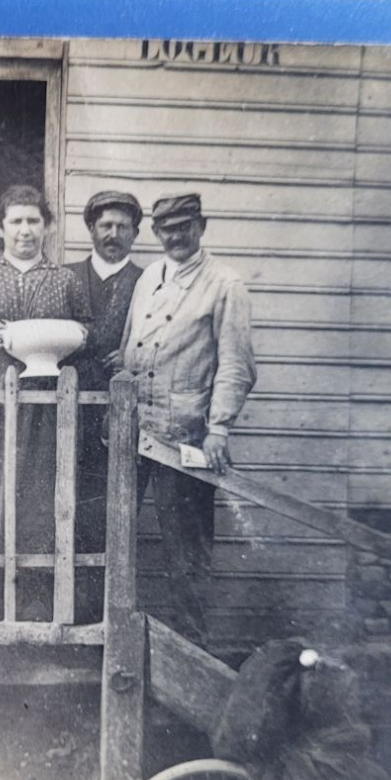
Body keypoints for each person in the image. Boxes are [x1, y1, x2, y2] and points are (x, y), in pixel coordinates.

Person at [0, 184, 89, 621]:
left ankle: (36, 594)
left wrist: (69, 339)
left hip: (44, 396)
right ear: (1, 228)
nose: (25, 231)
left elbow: (87, 328)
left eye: (33, 221)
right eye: (16, 222)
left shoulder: (64, 279)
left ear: (47, 227)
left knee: (39, 492)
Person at [116, 192, 257, 650]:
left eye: (185, 226)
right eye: (166, 228)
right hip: (134, 431)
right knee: (115, 540)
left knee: (187, 555)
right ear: (155, 233)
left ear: (202, 226)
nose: (175, 236)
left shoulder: (226, 284)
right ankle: (114, 646)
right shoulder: (149, 277)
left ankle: (191, 653)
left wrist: (219, 428)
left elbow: (237, 364)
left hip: (187, 437)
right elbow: (130, 343)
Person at [65, 191, 145, 621]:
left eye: (123, 226)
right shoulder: (66, 276)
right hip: (67, 408)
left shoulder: (148, 281)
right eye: (105, 225)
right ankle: (67, 609)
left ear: (135, 232)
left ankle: (105, 616)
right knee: (65, 503)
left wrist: (132, 353)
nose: (113, 234)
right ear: (91, 229)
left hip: (119, 412)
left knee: (113, 510)